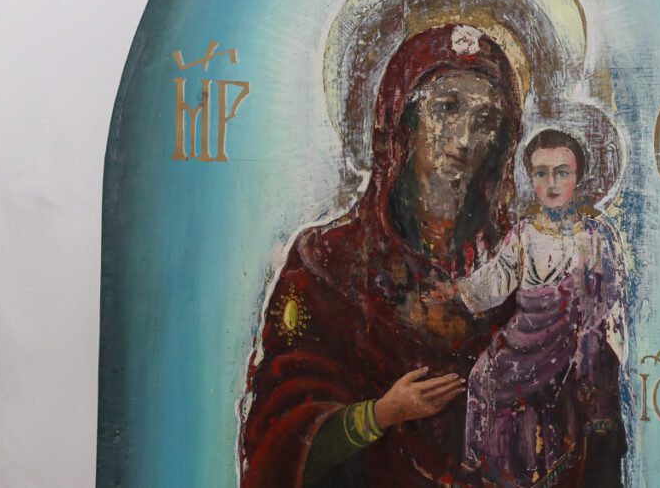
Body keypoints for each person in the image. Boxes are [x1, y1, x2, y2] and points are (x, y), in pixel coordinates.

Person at [240, 24, 525, 487]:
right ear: (403, 119)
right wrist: (379, 415)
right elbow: (280, 432)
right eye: (447, 108)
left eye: (486, 120)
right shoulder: (326, 263)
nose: (463, 139)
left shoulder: (525, 264)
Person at [455, 129, 629, 487]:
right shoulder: (523, 234)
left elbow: (608, 302)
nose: (551, 184)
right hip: (524, 338)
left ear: (577, 177)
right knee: (482, 377)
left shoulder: (595, 237)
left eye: (562, 172)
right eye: (541, 173)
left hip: (575, 343)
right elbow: (496, 281)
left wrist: (590, 349)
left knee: (553, 398)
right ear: (530, 178)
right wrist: (457, 290)